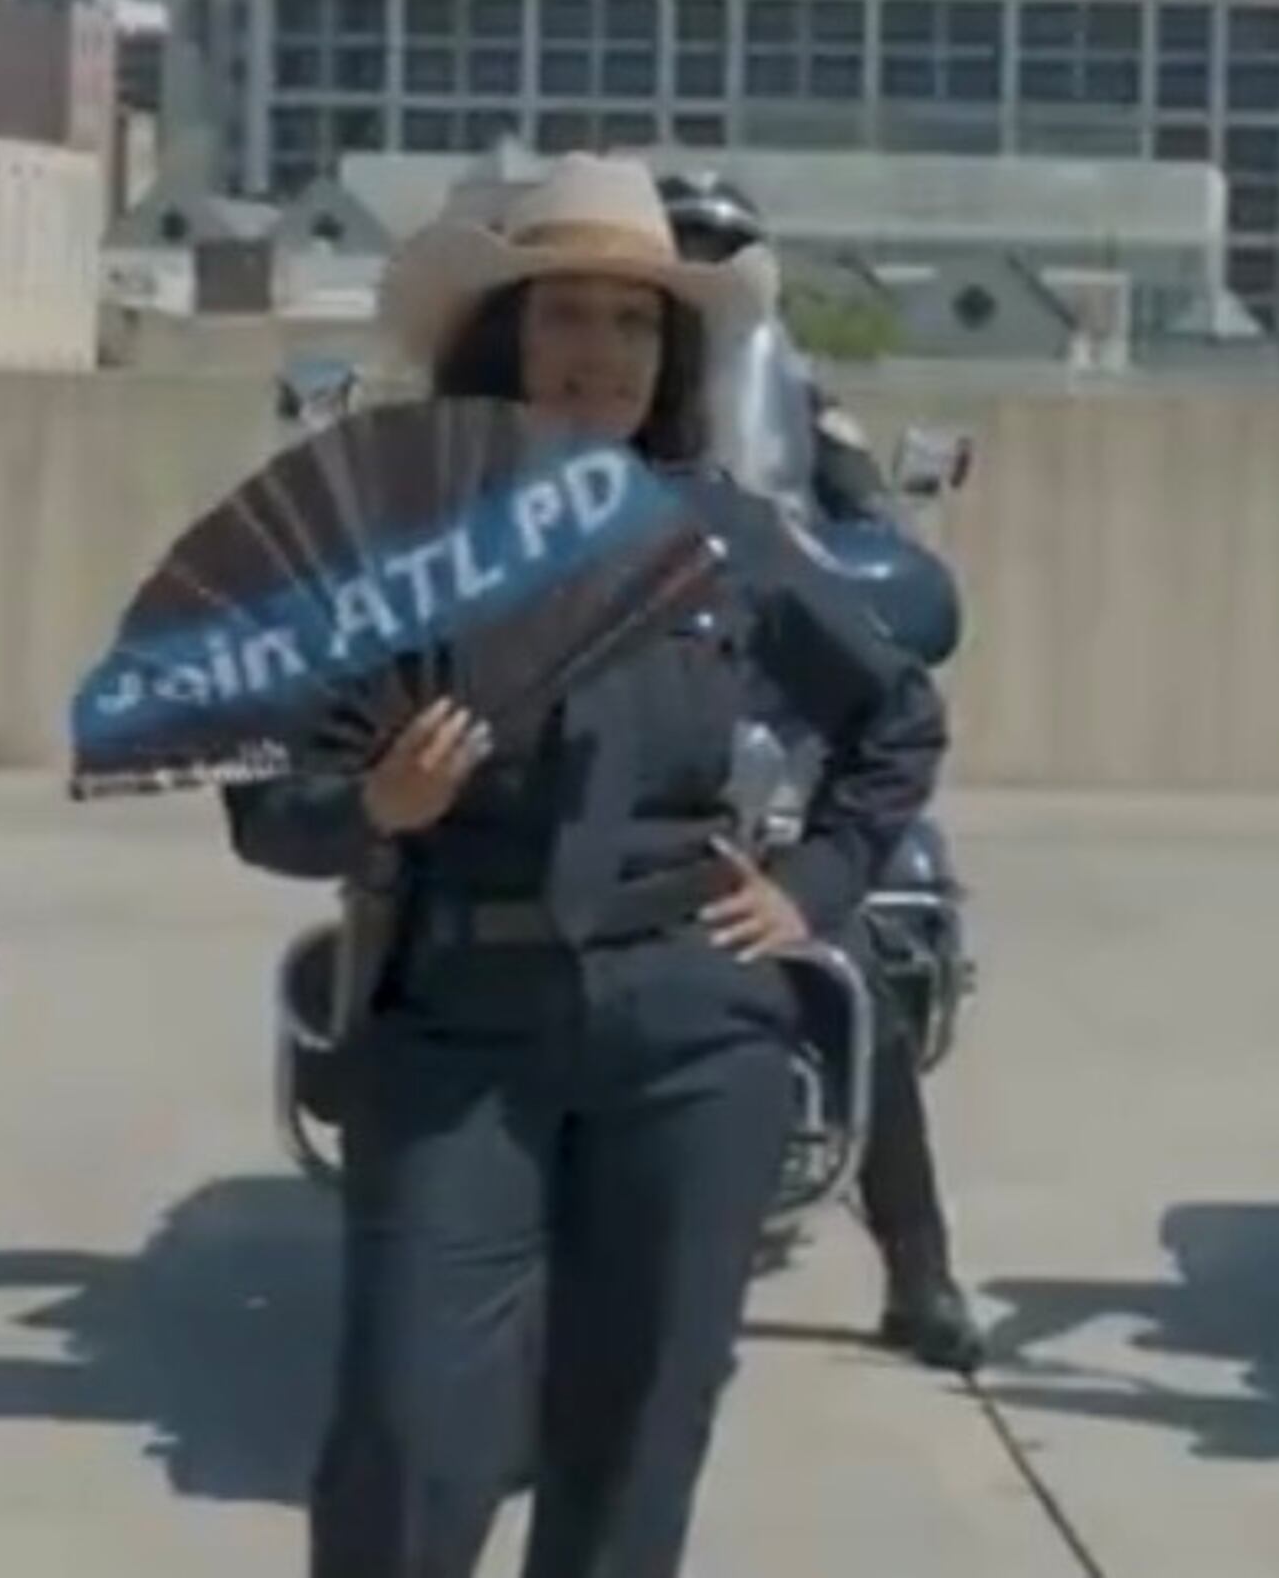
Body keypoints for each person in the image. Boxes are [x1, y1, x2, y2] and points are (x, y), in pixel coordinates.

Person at [232, 154, 949, 1578]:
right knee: (405, 1441)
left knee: (633, 1446)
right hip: (455, 1034)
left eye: (634, 325)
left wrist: (809, 888)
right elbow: (267, 801)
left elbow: (896, 717)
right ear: (502, 338)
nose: (599, 356)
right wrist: (378, 803)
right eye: (567, 315)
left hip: (689, 1029)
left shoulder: (731, 536)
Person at [656, 166, 980, 1372]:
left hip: (763, 704)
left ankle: (921, 1269)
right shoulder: (555, 387)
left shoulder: (799, 394)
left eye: (719, 247)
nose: (701, 266)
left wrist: (875, 576)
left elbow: (866, 531)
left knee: (850, 966)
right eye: (680, 241)